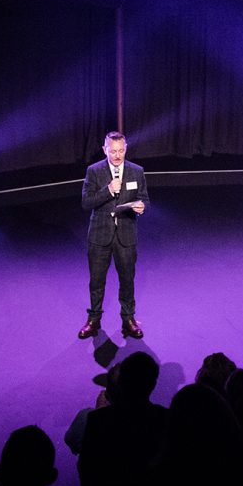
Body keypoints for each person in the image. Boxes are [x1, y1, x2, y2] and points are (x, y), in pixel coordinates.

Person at [78, 131, 149, 340]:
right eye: (113, 151)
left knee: (127, 280)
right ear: (105, 150)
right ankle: (94, 320)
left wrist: (141, 206)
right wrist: (108, 190)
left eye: (120, 151)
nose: (117, 156)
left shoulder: (137, 171)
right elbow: (86, 203)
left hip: (126, 236)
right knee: (97, 281)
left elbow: (145, 199)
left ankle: (128, 320)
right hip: (100, 236)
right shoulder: (94, 171)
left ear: (125, 148)